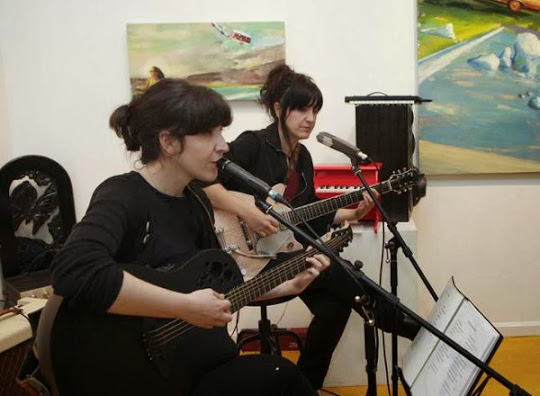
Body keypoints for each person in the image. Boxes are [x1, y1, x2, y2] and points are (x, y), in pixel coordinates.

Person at [36, 78, 329, 396]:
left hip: (190, 363)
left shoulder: (196, 200)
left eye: (221, 132)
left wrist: (286, 285)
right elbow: (75, 271)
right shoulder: (122, 194)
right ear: (169, 142)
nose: (223, 145)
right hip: (134, 375)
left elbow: (216, 291)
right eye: (209, 133)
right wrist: (182, 306)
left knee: (282, 376)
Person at [203, 64, 419, 391]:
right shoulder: (251, 145)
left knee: (335, 309)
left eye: (315, 110)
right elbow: (203, 184)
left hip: (282, 252)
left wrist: (352, 212)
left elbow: (304, 215)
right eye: (302, 108)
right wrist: (247, 211)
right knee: (342, 275)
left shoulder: (302, 157)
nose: (310, 117)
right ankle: (406, 324)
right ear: (279, 109)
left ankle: (303, 387)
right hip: (245, 258)